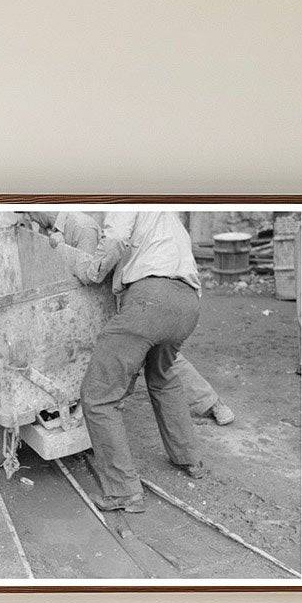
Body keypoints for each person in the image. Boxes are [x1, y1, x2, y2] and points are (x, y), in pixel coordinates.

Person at [19, 211, 234, 426]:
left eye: (28, 213)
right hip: (147, 293)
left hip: (120, 300)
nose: (29, 219)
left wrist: (81, 270)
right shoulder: (55, 228)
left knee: (149, 358)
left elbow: (90, 276)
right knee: (154, 357)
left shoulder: (82, 226)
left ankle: (211, 402)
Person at [74, 211, 205, 512]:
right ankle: (189, 457)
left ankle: (122, 491)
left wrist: (92, 272)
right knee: (163, 377)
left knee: (98, 396)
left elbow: (116, 239)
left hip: (150, 298)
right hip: (188, 304)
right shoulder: (168, 217)